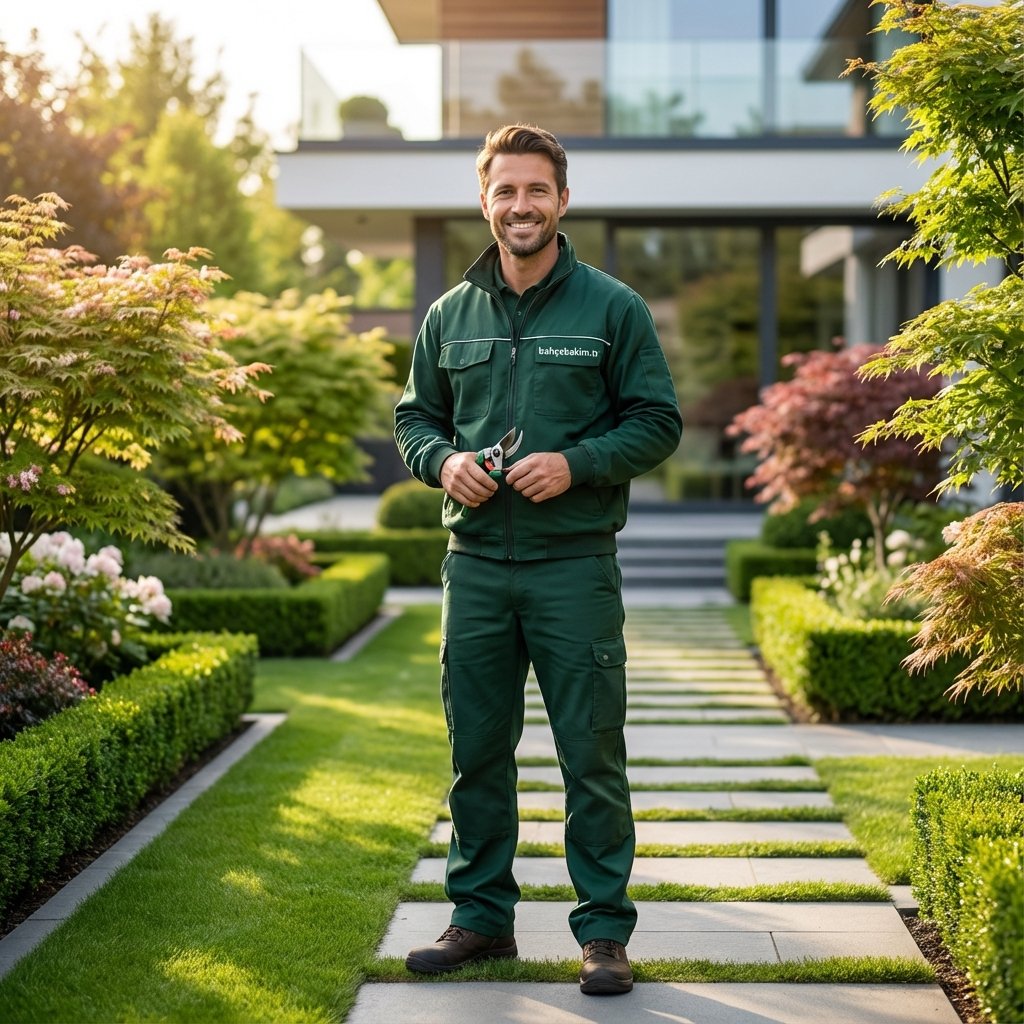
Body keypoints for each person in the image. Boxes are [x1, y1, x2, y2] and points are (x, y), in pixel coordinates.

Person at [394, 123, 682, 996]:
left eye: (535, 190)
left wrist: (578, 463)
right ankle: (480, 919)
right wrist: (443, 462)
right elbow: (415, 419)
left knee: (590, 752)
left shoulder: (612, 308)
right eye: (504, 191)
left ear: (563, 199)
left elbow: (657, 421)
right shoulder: (450, 315)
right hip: (475, 566)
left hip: (574, 568)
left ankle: (603, 935)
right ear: (484, 203)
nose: (520, 206)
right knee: (476, 751)